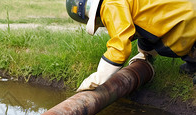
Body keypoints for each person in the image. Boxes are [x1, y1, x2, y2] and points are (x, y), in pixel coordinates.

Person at [66, 0, 196, 91]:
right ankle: (192, 61)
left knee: (180, 41)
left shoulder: (110, 5)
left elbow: (119, 47)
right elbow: (144, 26)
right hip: (185, 12)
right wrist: (144, 54)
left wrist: (97, 78)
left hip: (186, 20)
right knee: (164, 40)